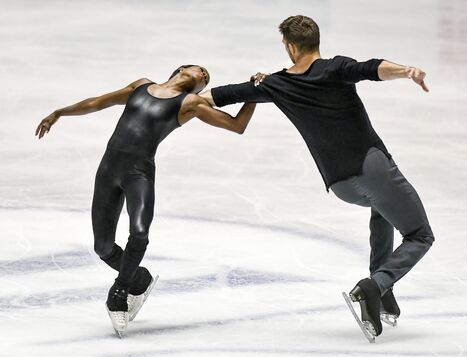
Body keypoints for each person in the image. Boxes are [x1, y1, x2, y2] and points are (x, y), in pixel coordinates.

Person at [199, 15, 435, 340]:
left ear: (290, 46)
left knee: (382, 210)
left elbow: (219, 96)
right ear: (315, 42)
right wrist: (407, 70)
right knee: (420, 235)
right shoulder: (335, 68)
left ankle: (382, 286)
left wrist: (172, 97)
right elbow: (372, 68)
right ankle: (375, 286)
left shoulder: (275, 84)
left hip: (340, 185)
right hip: (372, 168)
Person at [35, 65, 256, 336]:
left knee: (139, 234)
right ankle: (139, 279)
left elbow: (237, 125)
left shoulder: (190, 103)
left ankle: (120, 290)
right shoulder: (140, 86)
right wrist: (59, 113)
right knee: (103, 248)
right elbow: (97, 103)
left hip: (139, 174)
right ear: (181, 69)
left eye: (206, 78)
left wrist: (253, 94)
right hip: (107, 171)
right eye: (201, 70)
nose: (204, 75)